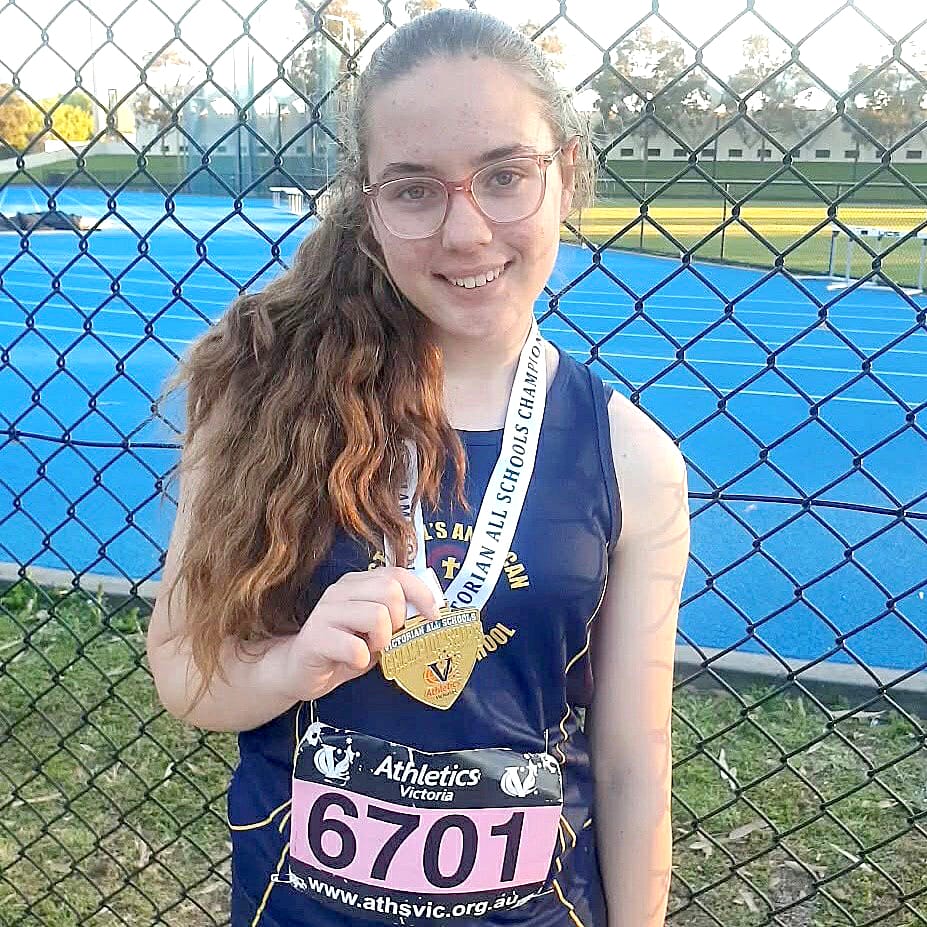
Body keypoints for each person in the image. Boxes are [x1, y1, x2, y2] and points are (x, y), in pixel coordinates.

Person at [147, 9, 690, 927]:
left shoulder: (631, 459)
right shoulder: (260, 395)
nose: (466, 232)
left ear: (564, 173)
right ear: (368, 202)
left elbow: (633, 760)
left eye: (505, 176)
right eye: (414, 190)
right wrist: (290, 664)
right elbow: (183, 672)